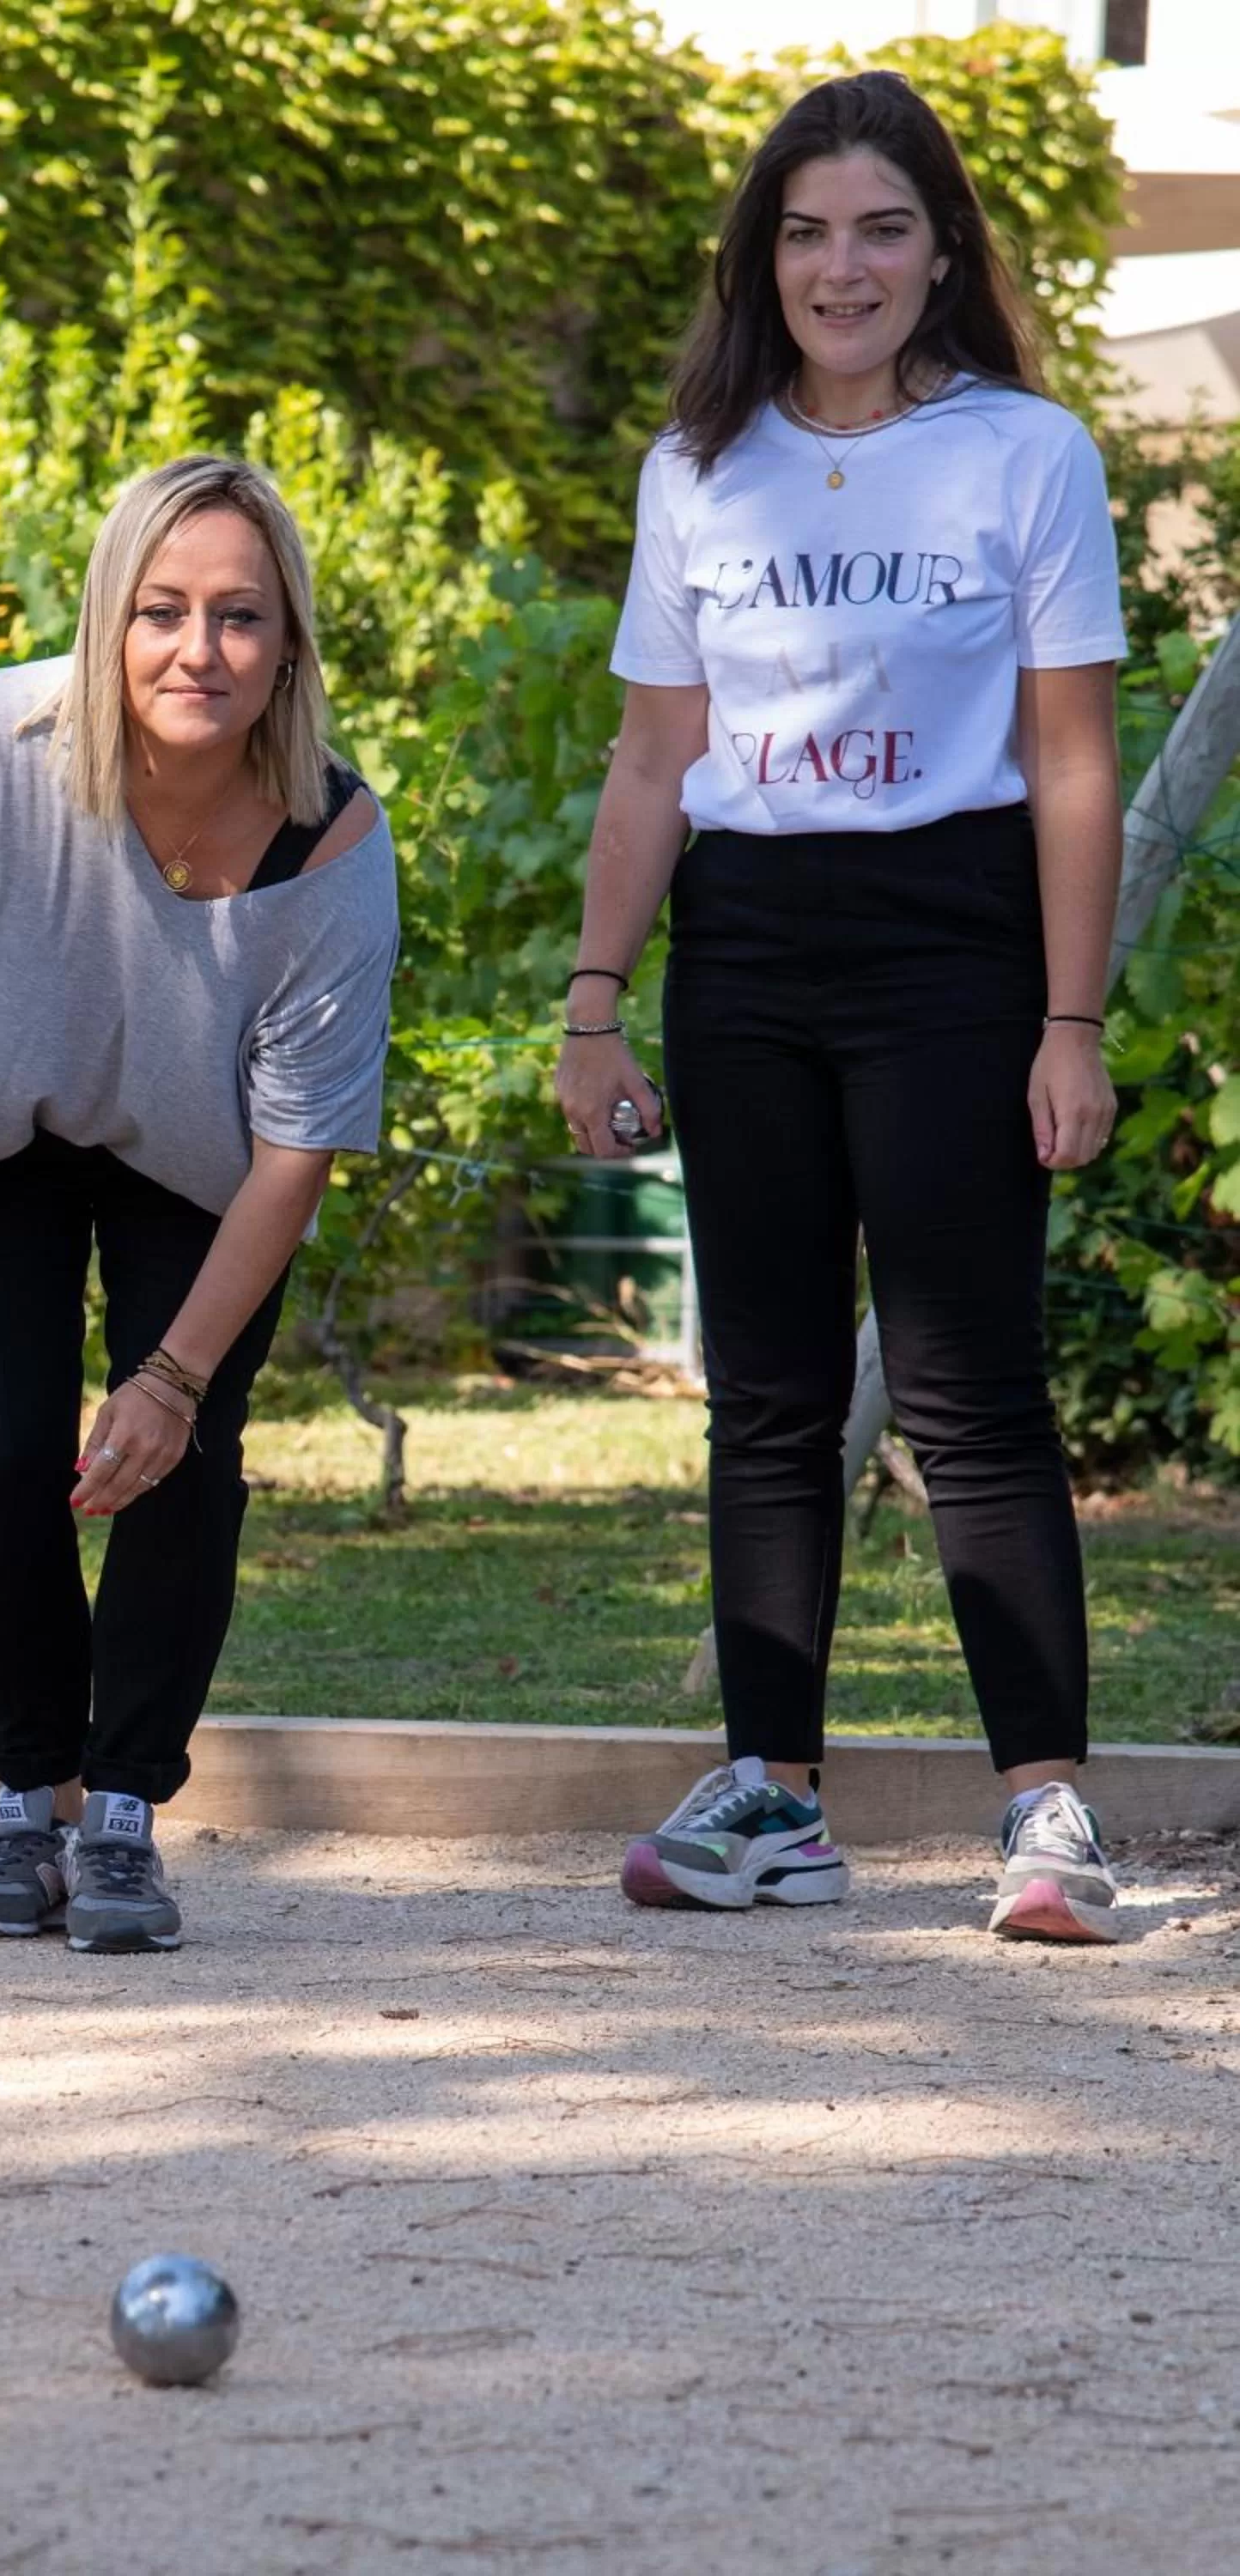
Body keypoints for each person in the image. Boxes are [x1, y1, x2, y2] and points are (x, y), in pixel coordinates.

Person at [557, 75, 1128, 1941]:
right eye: (806, 233)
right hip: (745, 947)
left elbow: (1073, 764)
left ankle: (1047, 1810)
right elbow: (656, 762)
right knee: (770, 1396)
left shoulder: (1026, 455)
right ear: (763, 257)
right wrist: (593, 1004)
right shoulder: (696, 468)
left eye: (883, 229)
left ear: (943, 251)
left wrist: (1070, 1022)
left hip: (955, 939)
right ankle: (775, 1797)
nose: (843, 267)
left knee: (969, 1389)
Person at [0, 454, 399, 1953]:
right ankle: (31, 1808)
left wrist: (173, 1379)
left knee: (179, 1463)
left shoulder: (333, 843)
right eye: (162, 610)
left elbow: (295, 1154)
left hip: (204, 1168)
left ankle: (121, 1819)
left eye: (241, 616)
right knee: (2, 1461)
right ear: (107, 620)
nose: (201, 650)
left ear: (290, 646)